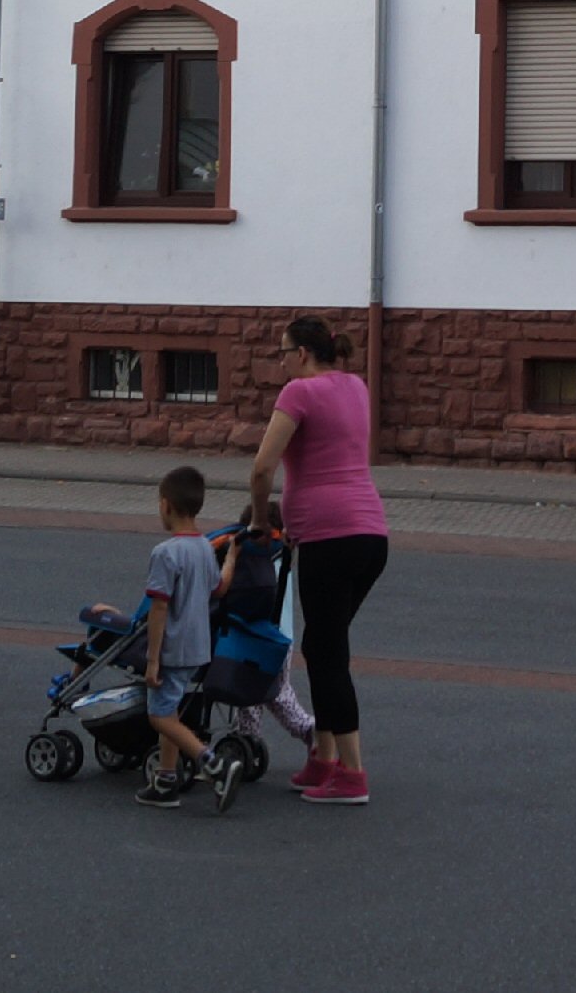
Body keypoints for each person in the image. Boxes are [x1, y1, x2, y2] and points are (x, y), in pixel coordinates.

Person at [246, 315, 388, 806]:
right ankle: (324, 758)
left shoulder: (298, 393)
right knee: (324, 643)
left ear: (302, 354)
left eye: (284, 353)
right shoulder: (355, 387)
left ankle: (352, 773)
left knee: (328, 654)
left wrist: (260, 520)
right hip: (371, 536)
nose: (282, 362)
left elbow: (262, 467)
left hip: (330, 538)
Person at [95, 464, 223, 807]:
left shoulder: (166, 553)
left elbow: (159, 607)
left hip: (172, 648)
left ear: (166, 505)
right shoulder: (206, 548)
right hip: (199, 646)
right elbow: (216, 588)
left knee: (160, 716)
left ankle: (210, 761)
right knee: (172, 710)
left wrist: (152, 659)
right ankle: (166, 780)